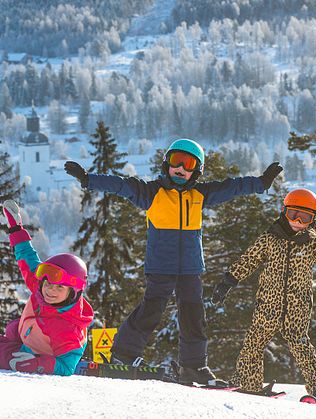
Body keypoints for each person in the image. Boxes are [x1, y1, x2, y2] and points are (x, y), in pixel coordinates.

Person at [64, 138, 283, 386]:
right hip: (161, 265)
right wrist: (88, 179)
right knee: (151, 310)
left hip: (190, 268)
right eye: (176, 161)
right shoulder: (151, 193)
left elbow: (231, 187)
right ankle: (124, 354)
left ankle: (195, 366)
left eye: (188, 164)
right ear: (166, 163)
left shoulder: (200, 194)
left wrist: (261, 183)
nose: (180, 168)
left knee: (193, 315)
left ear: (197, 171)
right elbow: (121, 186)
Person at [211, 189, 316, 403]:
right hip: (268, 303)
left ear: (313, 220)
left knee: (300, 344)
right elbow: (249, 259)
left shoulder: (311, 243)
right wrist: (228, 281)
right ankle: (248, 384)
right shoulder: (270, 238)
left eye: (305, 217)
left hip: (297, 306)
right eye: (293, 214)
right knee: (253, 342)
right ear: (283, 211)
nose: (297, 221)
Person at [0, 200, 94, 376]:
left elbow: (67, 368)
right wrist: (15, 228)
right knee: (13, 328)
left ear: (73, 292)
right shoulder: (40, 285)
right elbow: (27, 256)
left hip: (39, 353)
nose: (50, 291)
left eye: (59, 288)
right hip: (32, 333)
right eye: (48, 284)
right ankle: (17, 345)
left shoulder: (68, 329)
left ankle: (11, 354)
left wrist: (37, 364)